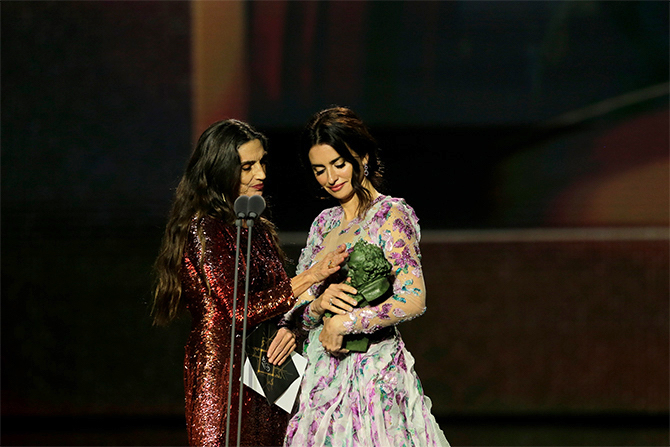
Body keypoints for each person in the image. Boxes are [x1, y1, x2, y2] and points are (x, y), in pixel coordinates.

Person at [151, 119, 347, 446]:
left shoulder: (256, 228)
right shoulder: (206, 229)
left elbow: (277, 303)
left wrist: (306, 313)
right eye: (247, 166)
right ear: (220, 170)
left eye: (262, 162)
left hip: (267, 370)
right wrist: (312, 275)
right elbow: (236, 311)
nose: (262, 174)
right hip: (223, 376)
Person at [283, 107, 450, 446]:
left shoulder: (390, 215)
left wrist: (346, 322)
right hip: (321, 381)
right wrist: (317, 307)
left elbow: (413, 298)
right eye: (319, 170)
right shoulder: (323, 224)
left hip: (374, 377)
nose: (331, 178)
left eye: (339, 164)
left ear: (364, 156)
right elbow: (298, 305)